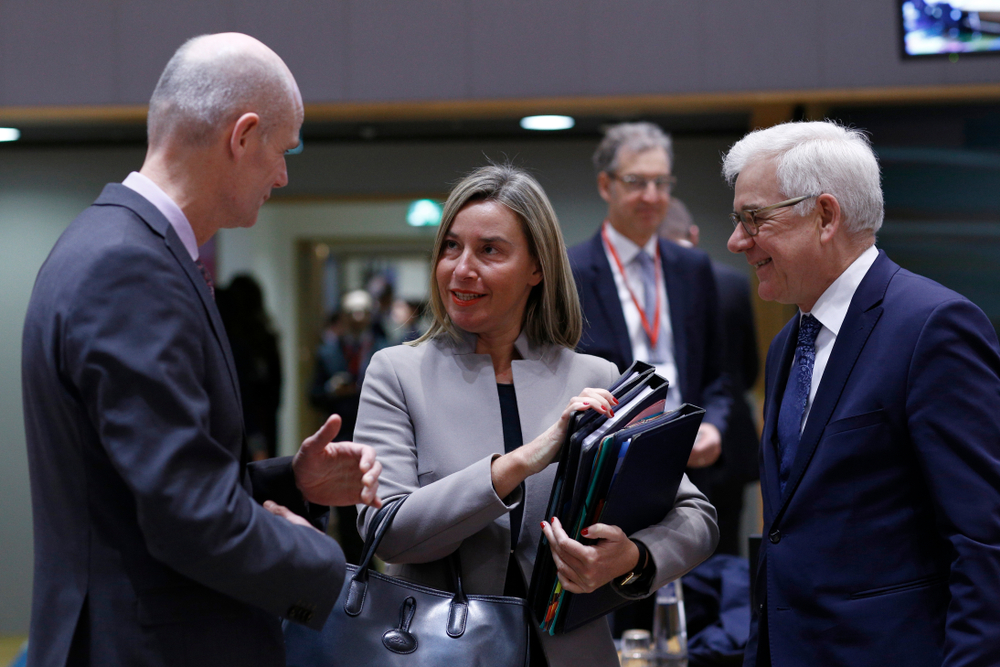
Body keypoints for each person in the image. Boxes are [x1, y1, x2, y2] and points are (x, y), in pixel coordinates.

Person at [21, 33, 382, 667]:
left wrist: (288, 482)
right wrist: (326, 565)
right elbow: (186, 517)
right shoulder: (130, 266)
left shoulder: (112, 242)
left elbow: (152, 481)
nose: (283, 174)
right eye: (283, 148)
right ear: (242, 137)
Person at [353, 164, 719, 666]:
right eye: (451, 246)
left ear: (537, 267)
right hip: (436, 651)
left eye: (490, 250)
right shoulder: (396, 373)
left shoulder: (594, 376)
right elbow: (385, 529)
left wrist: (630, 558)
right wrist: (523, 462)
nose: (461, 268)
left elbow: (696, 517)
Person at [724, 120, 1000, 666]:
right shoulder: (787, 343)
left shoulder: (933, 327)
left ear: (825, 215)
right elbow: (783, 538)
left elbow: (984, 540)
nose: (737, 240)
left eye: (754, 218)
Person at [568, 122, 732, 633]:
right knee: (616, 612)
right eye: (637, 182)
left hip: (693, 463)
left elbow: (721, 375)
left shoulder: (693, 269)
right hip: (612, 470)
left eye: (662, 183)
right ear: (606, 186)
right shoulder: (572, 270)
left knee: (693, 614)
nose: (651, 196)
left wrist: (717, 427)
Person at [660, 198, 760, 556]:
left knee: (663, 551)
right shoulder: (732, 282)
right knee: (726, 548)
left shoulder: (651, 288)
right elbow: (748, 371)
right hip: (729, 435)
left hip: (664, 442)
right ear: (694, 234)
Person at [217, 274, 283, 460]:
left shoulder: (232, 341)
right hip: (261, 420)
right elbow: (275, 393)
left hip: (243, 422)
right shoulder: (263, 338)